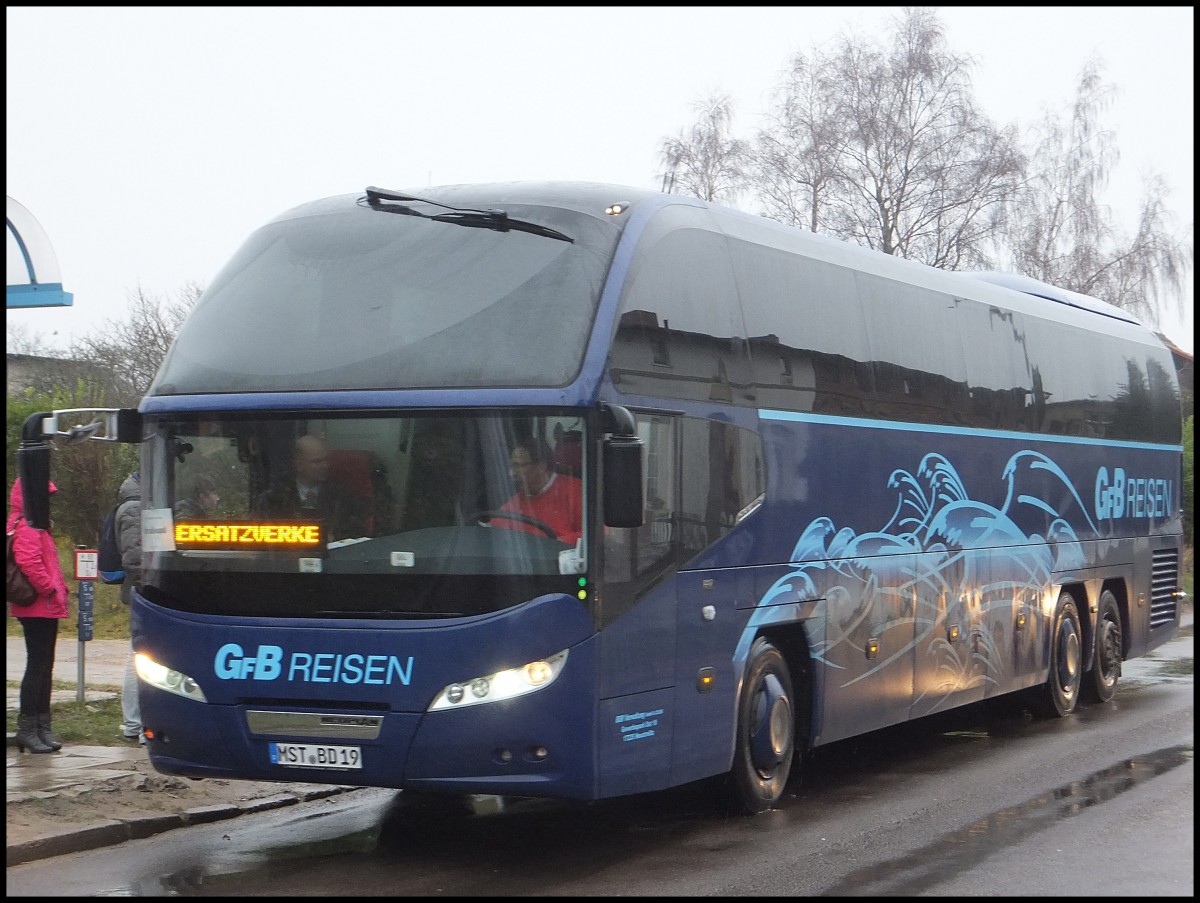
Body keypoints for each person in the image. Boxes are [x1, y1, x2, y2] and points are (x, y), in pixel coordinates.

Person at [7, 478, 70, 754]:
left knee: (44, 666)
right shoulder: (29, 526)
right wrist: (50, 589)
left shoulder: (32, 524)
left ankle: (41, 727)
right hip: (38, 605)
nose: (49, 503)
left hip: (43, 605)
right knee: (38, 666)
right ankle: (29, 729)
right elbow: (29, 561)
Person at [253, 434, 368, 541]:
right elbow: (263, 536)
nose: (325, 466)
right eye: (317, 462)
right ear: (299, 465)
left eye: (326, 460)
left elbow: (355, 534)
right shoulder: (274, 498)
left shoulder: (342, 497)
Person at [495, 437, 583, 545]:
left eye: (518, 466)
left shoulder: (576, 491)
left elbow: (599, 532)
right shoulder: (514, 503)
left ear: (541, 466)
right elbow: (494, 533)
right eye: (512, 466)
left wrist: (556, 544)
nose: (512, 473)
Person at [114, 470, 145, 744]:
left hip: (142, 590)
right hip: (143, 592)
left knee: (141, 655)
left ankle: (136, 723)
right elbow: (134, 558)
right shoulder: (135, 507)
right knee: (140, 655)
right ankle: (134, 723)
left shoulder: (139, 504)